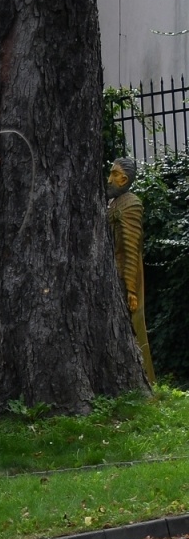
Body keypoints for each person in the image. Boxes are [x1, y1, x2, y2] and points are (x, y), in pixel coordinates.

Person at [108, 157, 154, 384]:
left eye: (114, 174)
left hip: (125, 275)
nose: (109, 179)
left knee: (133, 325)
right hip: (112, 271)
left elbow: (130, 246)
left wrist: (131, 289)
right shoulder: (115, 202)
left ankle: (144, 378)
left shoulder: (130, 204)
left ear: (124, 179)